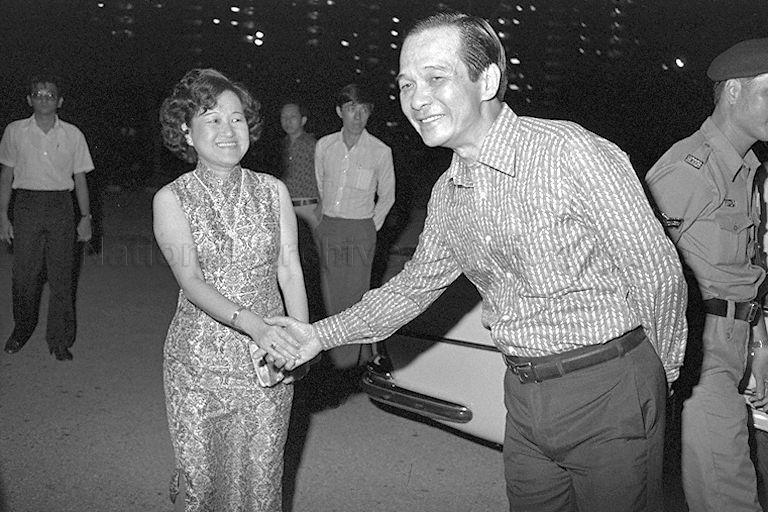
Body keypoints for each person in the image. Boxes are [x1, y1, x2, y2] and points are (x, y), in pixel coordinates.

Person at [268, 12, 687, 512]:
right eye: (405, 84)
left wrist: (653, 378)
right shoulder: (449, 193)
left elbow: (657, 275)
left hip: (608, 384)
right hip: (523, 394)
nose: (416, 99)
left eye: (435, 78)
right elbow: (410, 289)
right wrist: (317, 335)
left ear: (487, 79)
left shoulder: (570, 153)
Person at [153, 68, 306, 511]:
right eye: (212, 118)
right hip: (198, 365)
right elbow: (192, 281)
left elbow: (289, 267)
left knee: (261, 483)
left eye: (236, 119)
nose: (227, 130)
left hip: (267, 365)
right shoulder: (171, 199)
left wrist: (300, 337)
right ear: (186, 128)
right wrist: (255, 326)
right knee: (204, 487)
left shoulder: (273, 191)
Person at [645, 38, 768, 512]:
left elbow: (744, 269)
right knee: (730, 493)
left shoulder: (747, 170)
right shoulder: (690, 168)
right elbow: (639, 266)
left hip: (737, 341)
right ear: (733, 92)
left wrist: (758, 344)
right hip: (701, 352)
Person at [0, 74, 94, 361]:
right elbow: (6, 175)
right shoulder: (15, 131)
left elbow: (80, 179)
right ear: (29, 100)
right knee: (23, 275)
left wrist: (85, 216)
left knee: (62, 277)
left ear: (60, 101)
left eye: (50, 94)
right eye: (38, 94)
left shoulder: (73, 135)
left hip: (60, 206)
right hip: (26, 204)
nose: (44, 98)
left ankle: (60, 340)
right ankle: (23, 328)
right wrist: (3, 216)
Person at [314, 83, 395, 370]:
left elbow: (388, 196)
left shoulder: (380, 152)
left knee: (354, 299)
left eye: (363, 110)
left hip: (360, 230)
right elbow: (320, 185)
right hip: (329, 227)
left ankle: (351, 366)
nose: (357, 116)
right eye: (351, 109)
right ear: (340, 111)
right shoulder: (324, 146)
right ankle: (329, 364)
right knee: (326, 295)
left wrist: (369, 228)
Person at [279, 101, 320, 230]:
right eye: (284, 117)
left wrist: (321, 208)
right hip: (285, 208)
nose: (288, 121)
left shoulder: (314, 145)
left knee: (313, 249)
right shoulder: (279, 146)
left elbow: (327, 176)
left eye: (292, 117)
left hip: (309, 207)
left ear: (303, 120)